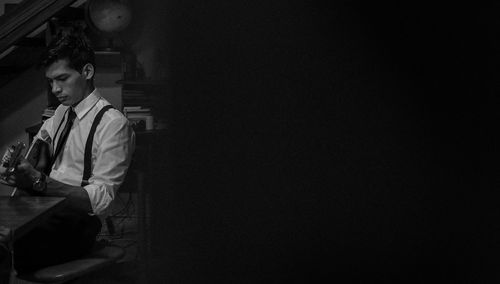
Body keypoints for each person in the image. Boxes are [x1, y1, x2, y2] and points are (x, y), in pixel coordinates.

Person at [0, 33, 135, 274]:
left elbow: (101, 199)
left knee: (5, 245)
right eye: (51, 81)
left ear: (87, 72)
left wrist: (39, 182)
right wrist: (15, 168)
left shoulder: (114, 124)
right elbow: (35, 158)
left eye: (62, 79)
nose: (55, 89)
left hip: (77, 223)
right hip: (43, 210)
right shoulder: (60, 113)